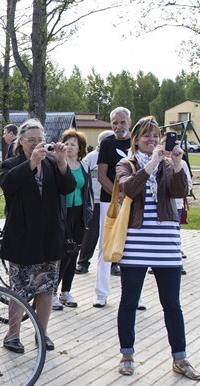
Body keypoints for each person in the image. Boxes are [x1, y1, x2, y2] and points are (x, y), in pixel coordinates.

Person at [114, 117, 200, 380]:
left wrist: (176, 165)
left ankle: (180, 358)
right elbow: (128, 189)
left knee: (172, 305)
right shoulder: (125, 164)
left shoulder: (168, 164)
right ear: (136, 139)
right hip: (135, 244)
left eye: (155, 136)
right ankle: (127, 354)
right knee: (129, 302)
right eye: (146, 136)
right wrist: (151, 163)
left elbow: (179, 191)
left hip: (166, 244)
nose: (152, 141)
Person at [0, 118, 76, 352]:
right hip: (23, 237)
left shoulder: (52, 164)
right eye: (31, 140)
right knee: (20, 288)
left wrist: (62, 163)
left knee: (46, 288)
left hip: (50, 236)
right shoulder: (11, 163)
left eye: (40, 140)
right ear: (21, 142)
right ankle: (12, 335)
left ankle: (41, 333)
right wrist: (31, 163)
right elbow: (8, 185)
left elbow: (68, 188)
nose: (36, 144)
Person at [94, 107, 132, 307]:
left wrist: (128, 196)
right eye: (115, 123)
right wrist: (118, 195)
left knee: (132, 247)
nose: (119, 126)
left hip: (133, 202)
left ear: (129, 122)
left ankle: (135, 295)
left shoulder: (136, 142)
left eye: (122, 122)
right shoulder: (107, 144)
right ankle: (101, 293)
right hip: (109, 202)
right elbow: (102, 175)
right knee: (106, 245)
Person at [52, 129, 92, 310]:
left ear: (80, 148)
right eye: (66, 143)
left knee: (74, 252)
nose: (68, 147)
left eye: (72, 144)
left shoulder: (83, 166)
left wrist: (88, 212)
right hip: (62, 213)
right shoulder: (58, 164)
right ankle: (51, 291)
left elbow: (87, 190)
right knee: (64, 252)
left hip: (79, 213)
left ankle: (65, 291)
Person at [76, 130, 114, 275]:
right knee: (91, 234)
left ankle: (113, 264)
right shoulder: (91, 158)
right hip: (95, 201)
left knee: (112, 234)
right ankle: (83, 262)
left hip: (112, 201)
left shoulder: (114, 156)